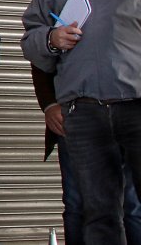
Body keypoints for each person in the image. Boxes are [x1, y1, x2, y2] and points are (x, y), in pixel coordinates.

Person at [21, 0, 141, 244]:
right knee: (97, 213)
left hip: (137, 105)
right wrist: (50, 39)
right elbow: (30, 39)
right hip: (84, 112)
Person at [32, 65, 141, 244]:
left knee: (134, 205)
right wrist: (49, 104)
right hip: (78, 115)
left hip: (131, 111)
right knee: (79, 203)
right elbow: (38, 52)